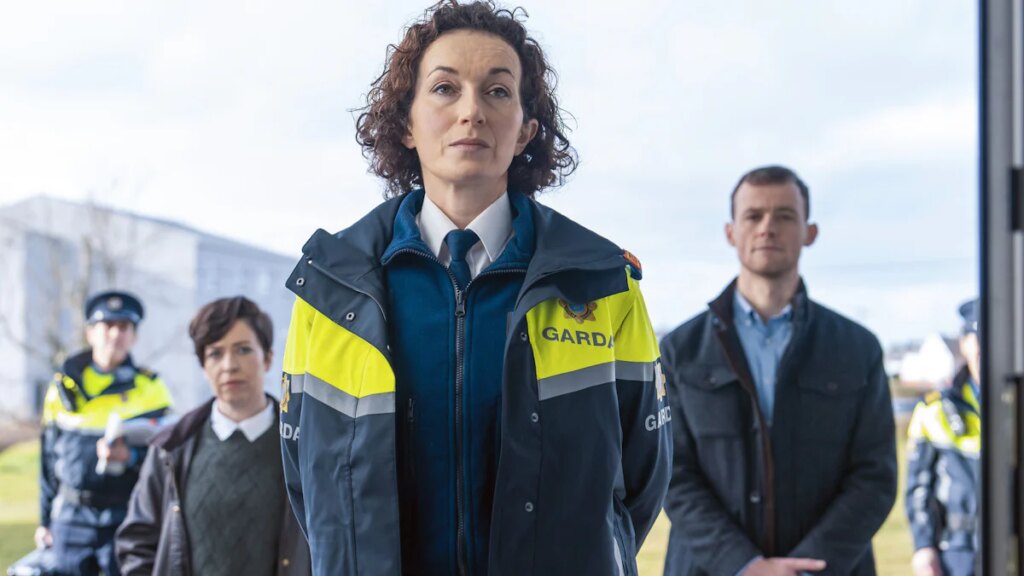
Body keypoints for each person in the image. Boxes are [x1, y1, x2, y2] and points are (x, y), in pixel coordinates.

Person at [278, 2, 670, 575]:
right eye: (444, 88)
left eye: (498, 91)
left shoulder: (603, 285)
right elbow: (306, 479)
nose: (471, 112)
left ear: (526, 130)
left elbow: (641, 479)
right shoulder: (331, 289)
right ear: (406, 124)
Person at [660, 165, 898, 576]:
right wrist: (744, 564)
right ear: (731, 232)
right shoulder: (679, 350)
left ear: (810, 232)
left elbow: (874, 475)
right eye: (753, 216)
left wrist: (806, 568)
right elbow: (672, 473)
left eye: (785, 216)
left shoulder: (858, 349)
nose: (767, 227)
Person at [115, 296, 310, 575]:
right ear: (204, 367)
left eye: (243, 349)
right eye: (215, 354)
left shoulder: (301, 446)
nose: (229, 365)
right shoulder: (171, 448)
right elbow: (136, 542)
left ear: (268, 358)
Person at [37, 290, 173, 576]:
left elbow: (167, 459)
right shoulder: (62, 387)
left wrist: (131, 456)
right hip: (70, 519)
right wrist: (44, 520)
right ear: (90, 333)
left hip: (126, 516)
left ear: (134, 336)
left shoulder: (152, 389)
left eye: (124, 327)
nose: (115, 334)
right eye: (107, 325)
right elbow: (47, 460)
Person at [904, 299, 981, 576]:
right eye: (978, 341)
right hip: (957, 551)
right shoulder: (934, 410)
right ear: (964, 344)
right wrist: (924, 546)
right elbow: (919, 487)